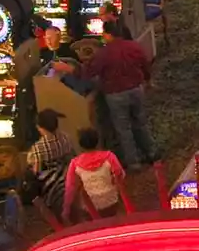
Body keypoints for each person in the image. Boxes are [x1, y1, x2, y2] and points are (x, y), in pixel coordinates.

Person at [83, 20, 156, 168]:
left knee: (124, 129)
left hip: (116, 95)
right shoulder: (133, 46)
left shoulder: (104, 53)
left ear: (108, 34)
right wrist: (148, 80)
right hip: (136, 89)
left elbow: (89, 72)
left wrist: (72, 68)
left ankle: (134, 162)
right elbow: (145, 65)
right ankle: (152, 153)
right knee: (140, 123)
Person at [63, 127, 126, 222]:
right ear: (97, 141)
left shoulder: (75, 163)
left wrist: (66, 209)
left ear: (80, 144)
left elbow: (70, 188)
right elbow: (120, 175)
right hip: (111, 201)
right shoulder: (109, 156)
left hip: (89, 206)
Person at [25, 108, 74, 214]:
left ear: (41, 128)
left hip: (52, 186)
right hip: (69, 178)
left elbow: (36, 171)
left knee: (28, 174)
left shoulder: (38, 147)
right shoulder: (67, 138)